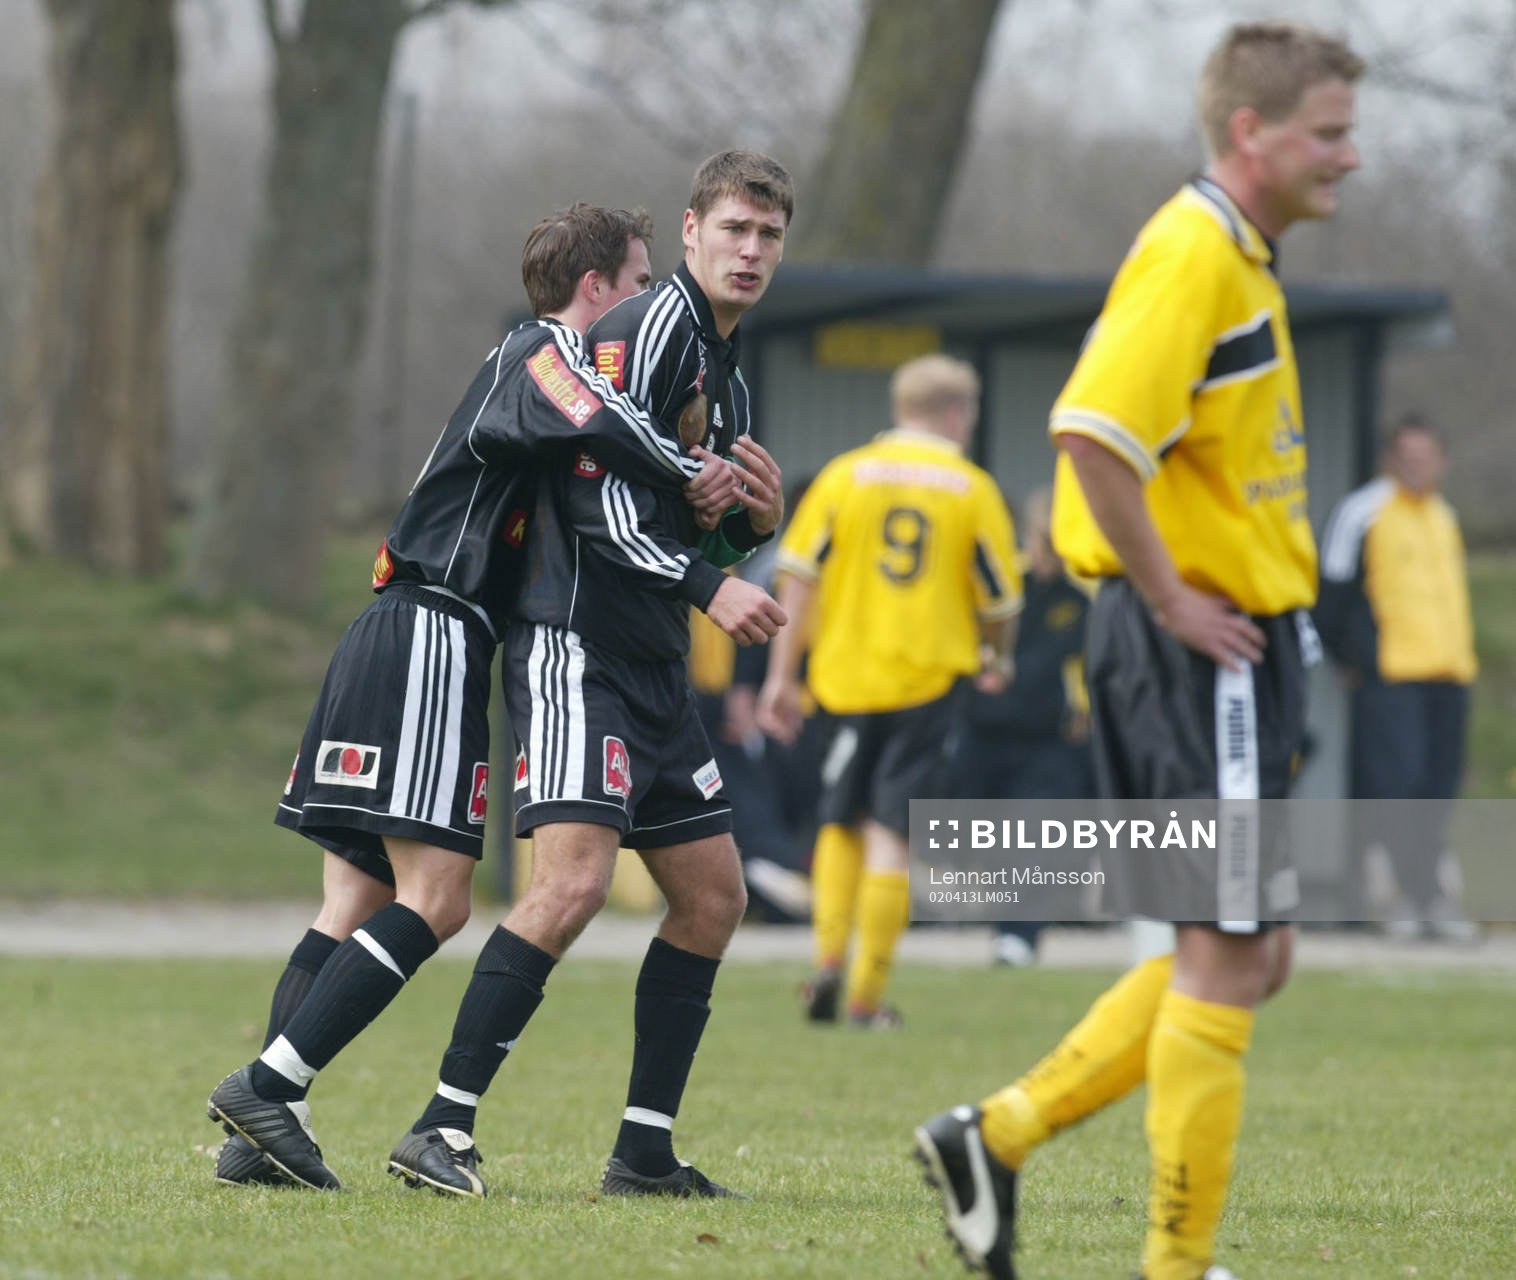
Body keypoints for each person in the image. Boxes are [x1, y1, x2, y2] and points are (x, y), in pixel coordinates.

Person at [914, 23, 1362, 1280]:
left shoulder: (1243, 257)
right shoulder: (1191, 255)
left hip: (1236, 644)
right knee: (1224, 948)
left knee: (1248, 951)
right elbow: (1092, 438)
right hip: (1195, 651)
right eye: (1327, 133)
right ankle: (1174, 1265)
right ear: (1249, 135)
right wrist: (1171, 601)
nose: (1350, 155)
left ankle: (992, 1133)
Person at [204, 203, 766, 1192]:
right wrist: (696, 472)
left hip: (420, 626)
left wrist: (729, 511)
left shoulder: (569, 363)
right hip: (430, 621)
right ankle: (272, 1084)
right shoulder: (544, 350)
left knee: (359, 896)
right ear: (594, 287)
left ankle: (262, 1122)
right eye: (636, 282)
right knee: (438, 897)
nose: (640, 306)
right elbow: (598, 423)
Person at [385, 149, 794, 1202]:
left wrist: (758, 525)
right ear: (693, 234)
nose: (750, 251)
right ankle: (440, 1126)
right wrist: (710, 591)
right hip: (576, 649)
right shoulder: (647, 330)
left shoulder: (726, 366)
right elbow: (596, 507)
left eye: (769, 235)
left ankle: (643, 1151)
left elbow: (698, 529)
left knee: (711, 898)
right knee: (568, 887)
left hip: (652, 663)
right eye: (734, 229)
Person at [757, 353, 1022, 1028]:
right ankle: (869, 997)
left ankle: (825, 964)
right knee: (891, 835)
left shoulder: (845, 477)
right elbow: (1000, 597)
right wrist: (998, 654)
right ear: (958, 413)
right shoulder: (970, 488)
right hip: (927, 682)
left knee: (838, 820)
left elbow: (797, 578)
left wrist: (782, 678)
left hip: (844, 680)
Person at [1317, 414, 1479, 941]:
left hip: (1448, 674)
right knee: (1396, 788)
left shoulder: (1443, 517)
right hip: (1391, 676)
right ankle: (1408, 896)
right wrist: (1353, 660)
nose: (1416, 466)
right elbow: (1332, 595)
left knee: (1437, 789)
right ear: (1390, 460)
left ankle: (1429, 894)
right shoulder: (1363, 512)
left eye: (1425, 456)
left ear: (1442, 461)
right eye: (1406, 457)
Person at [951, 487, 1094, 968]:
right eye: (1043, 535)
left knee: (1039, 834)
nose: (1050, 546)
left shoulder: (1082, 595)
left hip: (1048, 740)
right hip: (984, 731)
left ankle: (1019, 937)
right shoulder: (1005, 580)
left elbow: (1093, 663)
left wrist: (1087, 708)